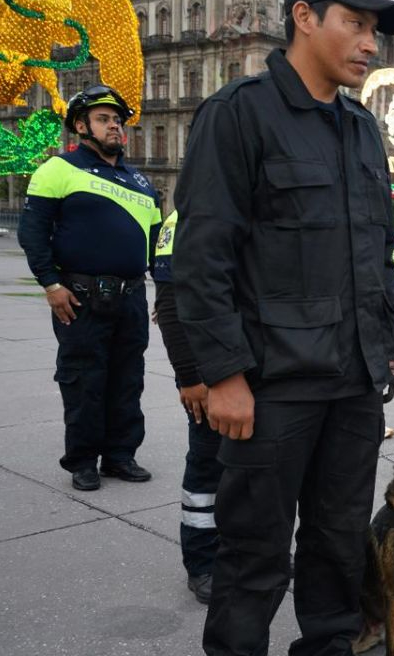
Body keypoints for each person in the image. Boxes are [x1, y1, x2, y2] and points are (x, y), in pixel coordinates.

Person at [171, 0, 394, 653]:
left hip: (353, 388)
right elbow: (201, 259)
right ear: (303, 17)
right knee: (253, 560)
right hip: (272, 391)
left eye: (376, 32)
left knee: (338, 552)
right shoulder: (239, 114)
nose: (370, 44)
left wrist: (385, 347)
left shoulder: (361, 128)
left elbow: (378, 249)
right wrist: (222, 375)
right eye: (356, 24)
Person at [17, 85, 160, 492]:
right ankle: (83, 460)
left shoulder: (140, 180)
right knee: (84, 379)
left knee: (128, 378)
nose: (115, 125)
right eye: (104, 118)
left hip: (131, 296)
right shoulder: (58, 169)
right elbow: (33, 233)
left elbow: (153, 241)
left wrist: (163, 292)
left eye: (118, 120)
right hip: (79, 297)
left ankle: (120, 455)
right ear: (81, 126)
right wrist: (51, 284)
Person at [151, 210, 221, 604]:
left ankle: (245, 550)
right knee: (207, 469)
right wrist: (189, 377)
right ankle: (202, 562)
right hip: (206, 373)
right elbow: (170, 303)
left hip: (254, 369)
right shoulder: (181, 219)